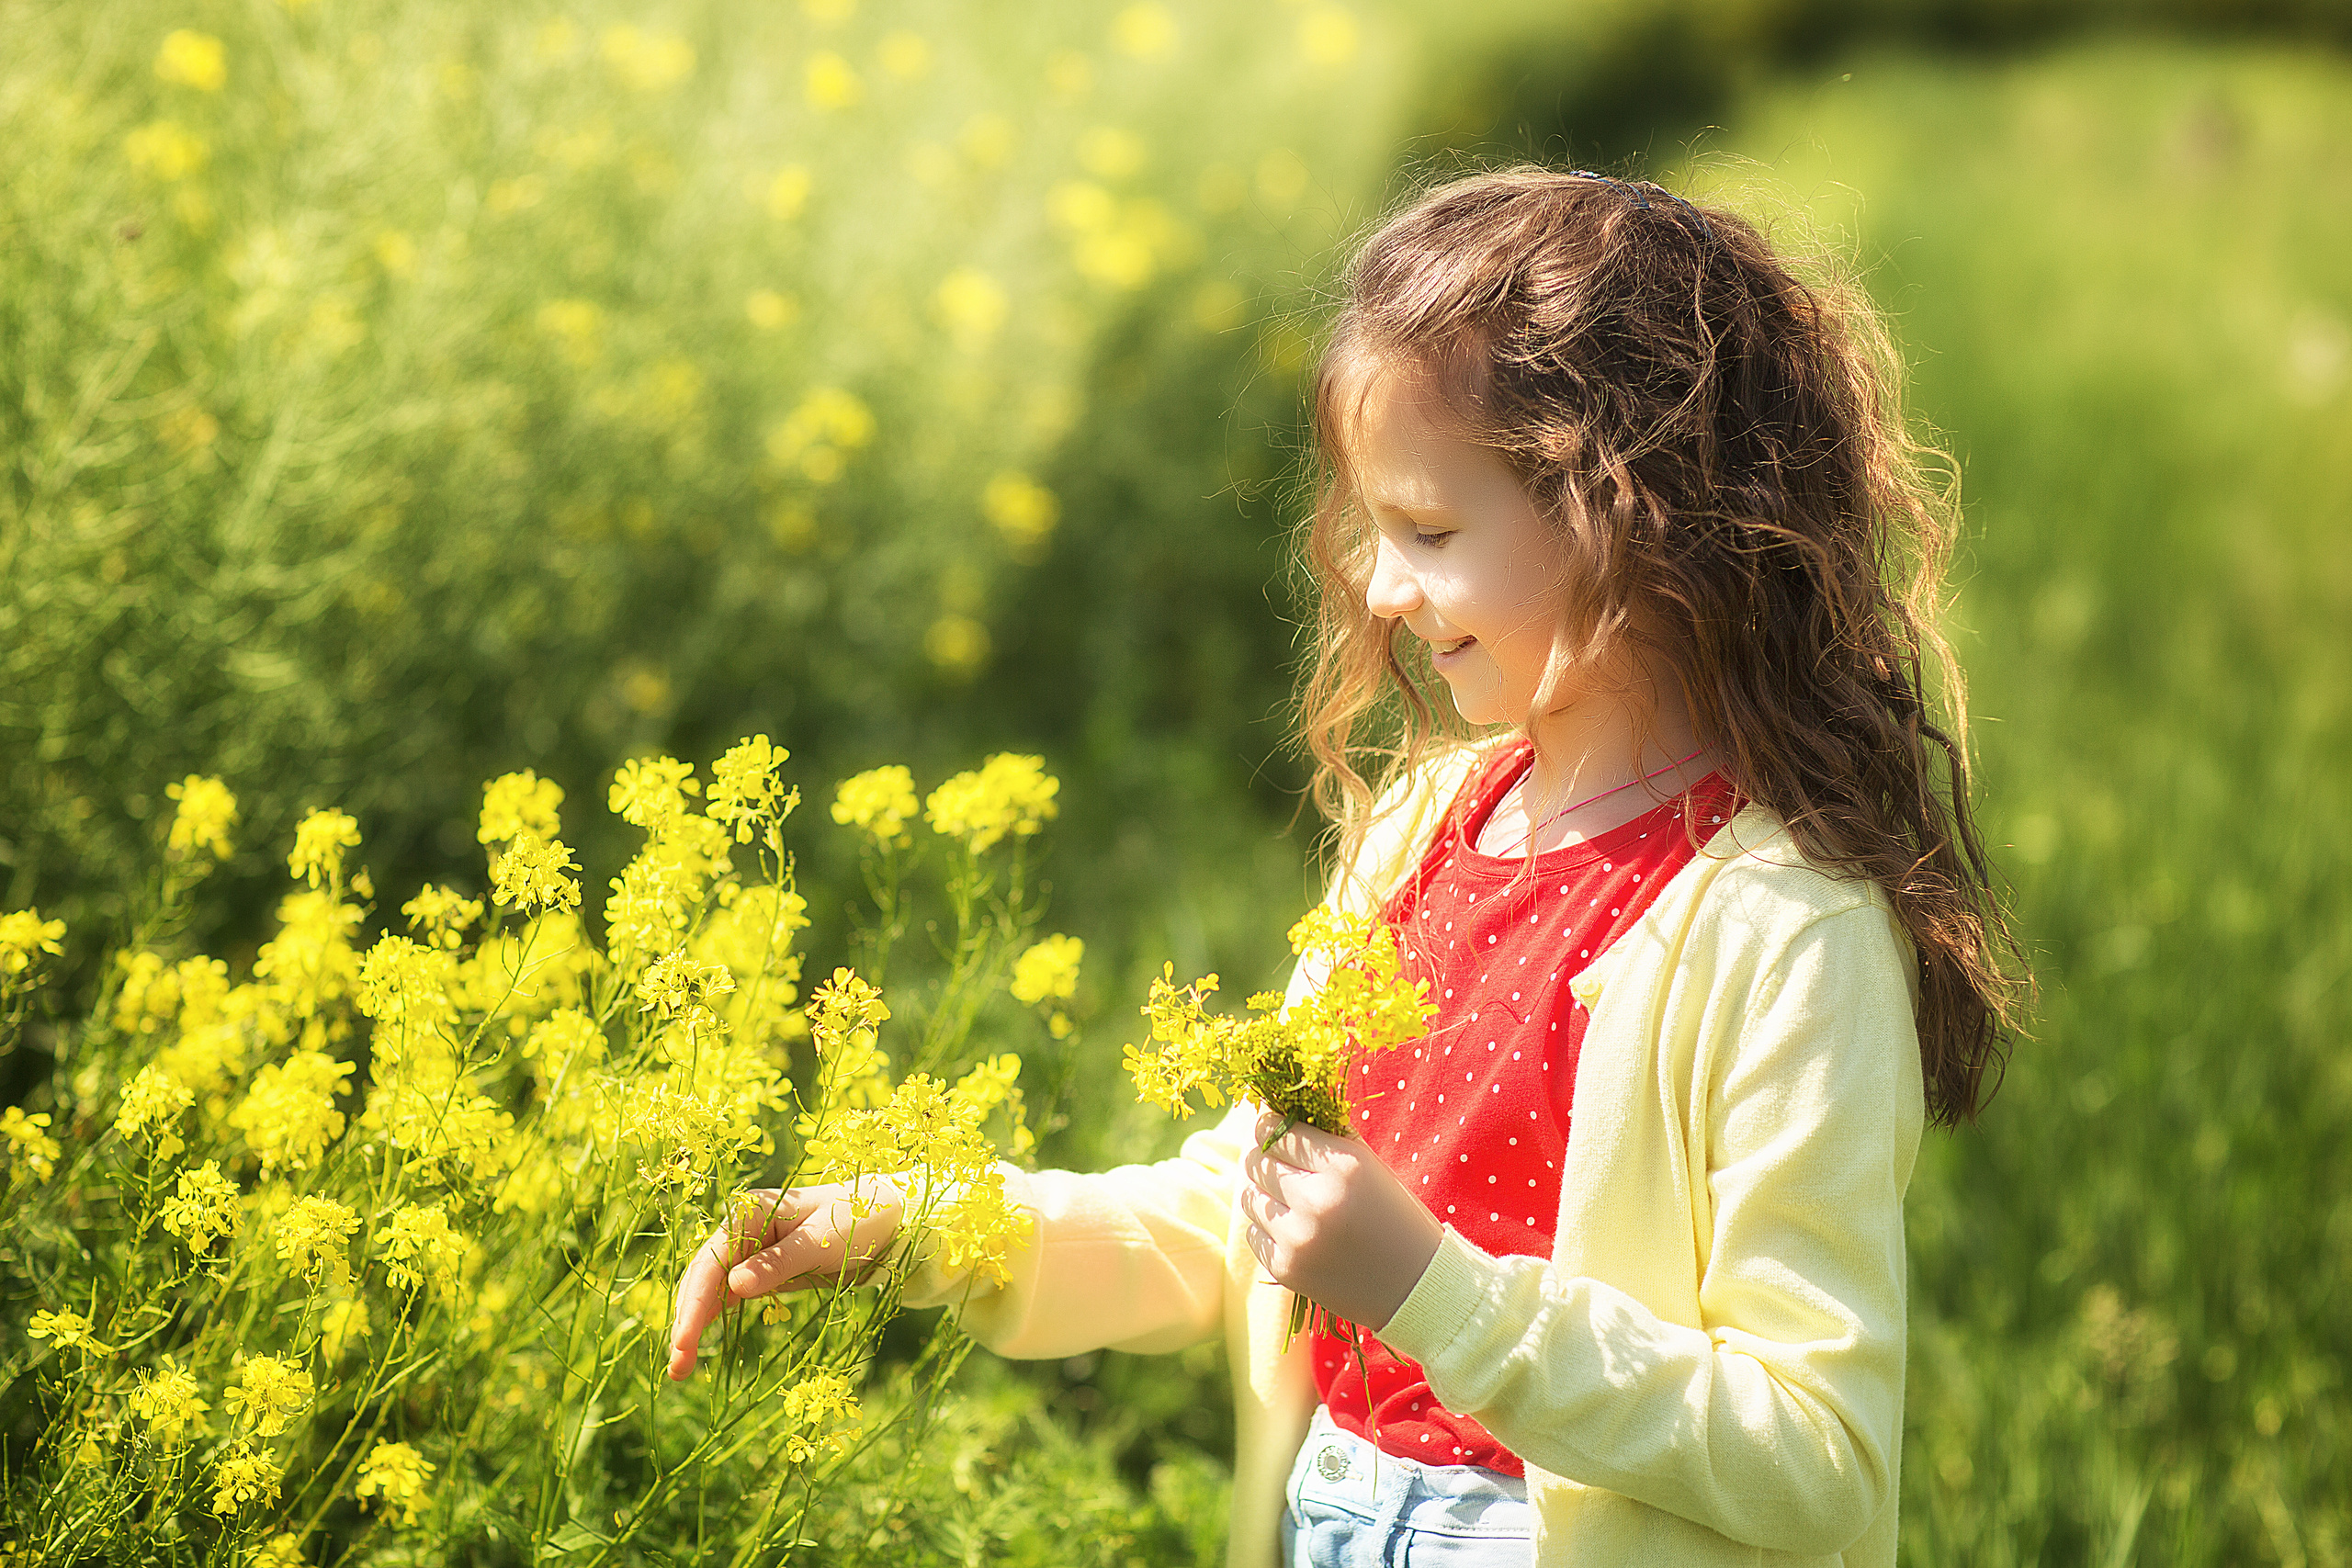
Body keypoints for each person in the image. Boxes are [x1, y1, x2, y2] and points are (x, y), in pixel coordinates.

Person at [668, 164, 2030, 1568]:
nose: (1379, 588)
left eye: (1431, 532)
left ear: (1634, 512)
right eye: (1378, 529)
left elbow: (1819, 1454)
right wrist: (924, 1224)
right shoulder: (1417, 836)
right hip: (1333, 1516)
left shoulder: (1780, 930)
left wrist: (1436, 1295)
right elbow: (1244, 1215)